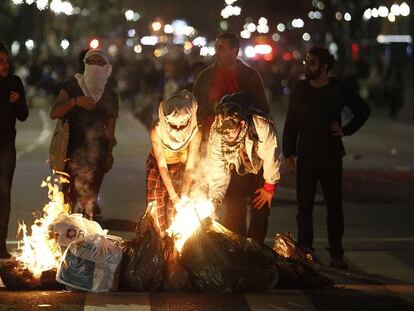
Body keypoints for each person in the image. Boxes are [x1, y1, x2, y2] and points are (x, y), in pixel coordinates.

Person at [282, 46, 371, 269]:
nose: (307, 67)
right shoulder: (300, 89)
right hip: (306, 155)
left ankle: (336, 253)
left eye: (312, 63)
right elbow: (291, 123)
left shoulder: (338, 88)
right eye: (306, 62)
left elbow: (363, 110)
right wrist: (289, 153)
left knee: (334, 205)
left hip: (331, 155)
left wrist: (346, 130)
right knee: (304, 206)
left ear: (324, 67)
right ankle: (305, 250)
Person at [50, 49, 118, 220]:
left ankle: (86, 239)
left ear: (107, 68)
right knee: (68, 201)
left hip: (97, 154)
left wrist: (108, 153)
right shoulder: (72, 86)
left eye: (100, 63)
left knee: (89, 201)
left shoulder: (110, 95)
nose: (95, 66)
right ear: (85, 65)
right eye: (91, 62)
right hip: (71, 152)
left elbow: (110, 130)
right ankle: (64, 240)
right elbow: (55, 112)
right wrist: (75, 102)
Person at [206, 91, 280, 244]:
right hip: (236, 167)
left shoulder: (260, 124)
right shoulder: (218, 131)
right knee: (233, 209)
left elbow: (271, 154)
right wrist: (214, 200)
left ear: (242, 124)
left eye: (230, 134)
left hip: (260, 167)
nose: (227, 137)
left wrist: (269, 186)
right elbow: (217, 167)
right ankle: (236, 248)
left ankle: (255, 249)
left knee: (260, 209)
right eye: (223, 135)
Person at [193, 32, 270, 143]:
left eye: (221, 49)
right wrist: (211, 107)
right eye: (216, 48)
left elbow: (262, 110)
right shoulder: (205, 76)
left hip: (241, 141)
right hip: (208, 138)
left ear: (234, 51)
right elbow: (194, 105)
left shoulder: (250, 76)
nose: (217, 53)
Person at [146, 89, 202, 232]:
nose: (177, 130)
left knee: (175, 214)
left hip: (182, 168)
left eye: (182, 126)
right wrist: (173, 195)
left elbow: (190, 167)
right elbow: (162, 165)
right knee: (156, 212)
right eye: (172, 125)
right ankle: (157, 246)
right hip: (158, 168)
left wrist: (182, 196)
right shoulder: (156, 130)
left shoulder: (196, 133)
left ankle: (174, 249)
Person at [0, 42, 29, 258]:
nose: (5, 65)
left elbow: (23, 115)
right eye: (0, 61)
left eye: (6, 61)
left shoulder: (14, 82)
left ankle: (0, 246)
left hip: (6, 148)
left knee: (4, 196)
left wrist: (17, 102)